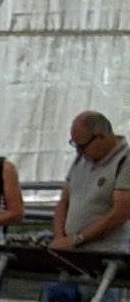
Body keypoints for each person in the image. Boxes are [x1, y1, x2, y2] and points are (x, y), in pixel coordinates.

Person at [51, 108, 130, 274]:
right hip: (70, 253)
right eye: (74, 145)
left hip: (105, 258)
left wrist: (77, 239)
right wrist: (59, 238)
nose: (78, 151)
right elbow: (63, 201)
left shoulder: (125, 162)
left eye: (82, 146)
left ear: (101, 137)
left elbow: (119, 214)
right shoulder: (80, 159)